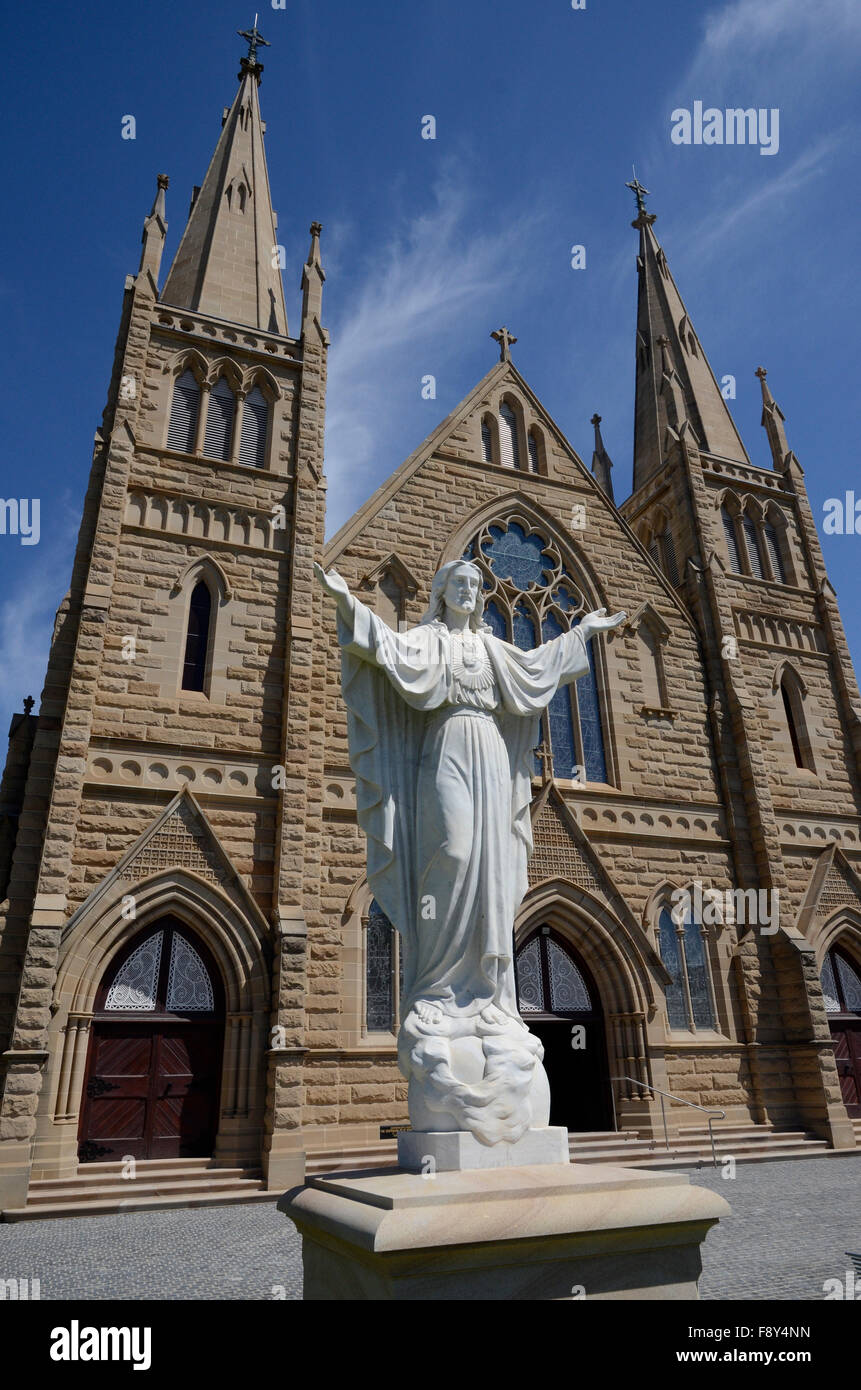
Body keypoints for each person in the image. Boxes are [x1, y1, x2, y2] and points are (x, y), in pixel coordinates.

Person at [315, 557, 624, 1142]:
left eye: (475, 585)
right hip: (447, 746)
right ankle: (438, 986)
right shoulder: (428, 640)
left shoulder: (493, 649)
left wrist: (585, 632)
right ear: (440, 591)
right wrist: (345, 603)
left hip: (492, 755)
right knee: (452, 851)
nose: (468, 590)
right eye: (458, 583)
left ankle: (487, 995)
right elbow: (385, 648)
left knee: (490, 870)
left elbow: (540, 666)